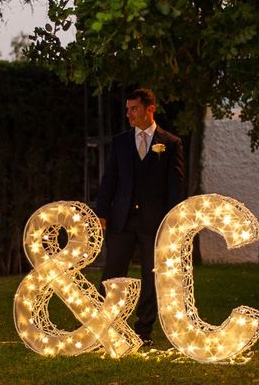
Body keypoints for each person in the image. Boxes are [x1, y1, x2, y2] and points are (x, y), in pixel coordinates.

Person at [96, 88, 185, 346]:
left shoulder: (171, 143)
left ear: (150, 109)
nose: (128, 114)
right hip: (121, 220)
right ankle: (107, 327)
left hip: (154, 223)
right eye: (127, 109)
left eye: (133, 108)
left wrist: (171, 222)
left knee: (151, 277)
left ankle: (143, 331)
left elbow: (175, 187)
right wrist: (102, 212)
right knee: (112, 273)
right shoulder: (121, 141)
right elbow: (109, 180)